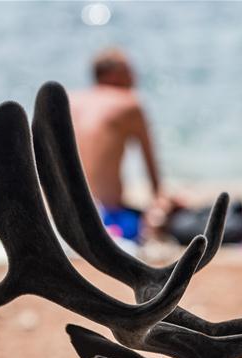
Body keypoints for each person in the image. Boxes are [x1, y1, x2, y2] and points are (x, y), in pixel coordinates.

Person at [69, 48, 181, 241]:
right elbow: (154, 182)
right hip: (107, 220)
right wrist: (163, 206)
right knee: (181, 218)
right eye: (129, 71)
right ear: (113, 75)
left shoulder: (70, 100)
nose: (135, 77)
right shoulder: (129, 104)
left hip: (62, 216)